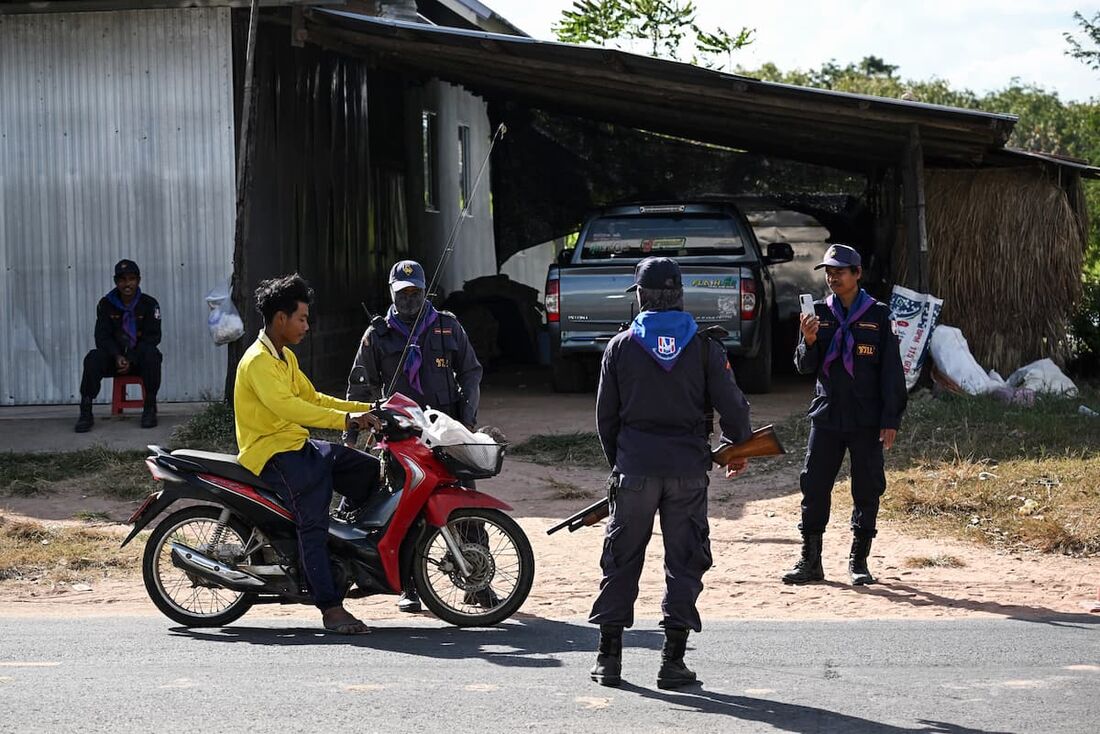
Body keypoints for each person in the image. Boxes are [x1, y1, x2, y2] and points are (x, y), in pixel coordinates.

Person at [589, 256, 753, 690]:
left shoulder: (620, 347)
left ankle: (609, 659)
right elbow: (733, 407)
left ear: (641, 296)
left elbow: (606, 420)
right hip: (687, 471)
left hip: (636, 470)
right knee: (685, 561)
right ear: (679, 294)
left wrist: (622, 464)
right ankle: (673, 663)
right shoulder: (704, 347)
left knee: (621, 559)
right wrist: (739, 447)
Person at [234, 274, 383, 635]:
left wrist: (370, 408)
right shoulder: (258, 362)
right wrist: (348, 419)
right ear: (280, 319)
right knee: (313, 523)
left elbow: (313, 398)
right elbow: (291, 410)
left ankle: (344, 545)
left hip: (298, 447)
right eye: (301, 318)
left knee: (367, 470)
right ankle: (330, 609)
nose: (307, 325)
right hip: (274, 454)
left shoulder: (284, 357)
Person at [346, 259, 484, 613]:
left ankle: (478, 582)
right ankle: (410, 586)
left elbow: (470, 372)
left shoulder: (447, 326)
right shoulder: (376, 335)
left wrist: (466, 421)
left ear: (426, 291)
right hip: (399, 436)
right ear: (392, 294)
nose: (410, 299)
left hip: (445, 433)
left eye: (416, 292)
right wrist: (362, 426)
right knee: (404, 508)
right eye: (403, 293)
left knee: (464, 503)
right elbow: (360, 386)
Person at [783, 244, 907, 587]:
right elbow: (803, 367)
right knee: (814, 485)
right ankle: (810, 561)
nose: (833, 277)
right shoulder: (818, 313)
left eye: (840, 271)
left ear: (857, 274)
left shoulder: (879, 315)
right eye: (829, 271)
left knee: (867, 487)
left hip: (866, 418)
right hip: (827, 414)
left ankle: (859, 561)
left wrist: (890, 419)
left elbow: (891, 373)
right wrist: (807, 341)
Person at [75, 259, 162, 432]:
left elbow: (153, 337)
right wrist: (117, 356)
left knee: (152, 353)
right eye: (122, 279)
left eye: (131, 279)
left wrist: (131, 357)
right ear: (116, 282)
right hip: (114, 360)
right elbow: (102, 337)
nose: (127, 284)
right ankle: (85, 410)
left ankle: (150, 408)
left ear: (138, 280)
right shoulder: (106, 304)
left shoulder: (149, 304)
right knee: (93, 357)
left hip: (138, 361)